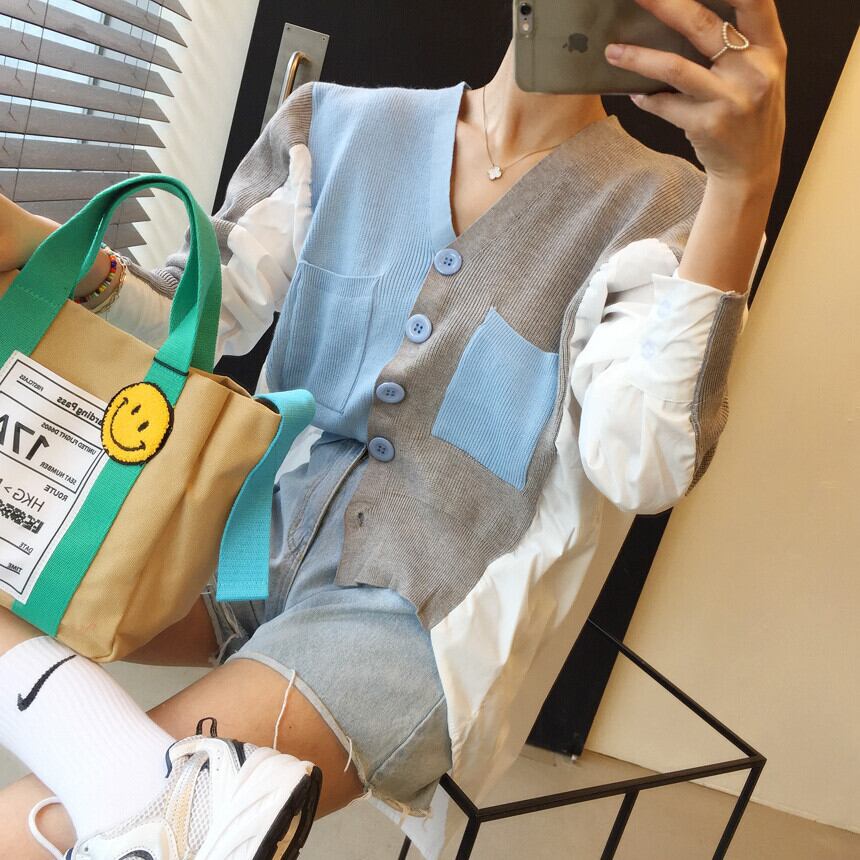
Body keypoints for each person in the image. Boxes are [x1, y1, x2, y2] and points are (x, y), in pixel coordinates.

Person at [0, 1, 786, 857]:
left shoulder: (671, 209)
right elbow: (197, 315)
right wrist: (32, 242)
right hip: (238, 541)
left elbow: (644, 466)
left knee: (34, 832)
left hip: (413, 623)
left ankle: (150, 793)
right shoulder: (332, 126)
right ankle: (146, 784)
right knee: (146, 802)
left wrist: (743, 188)